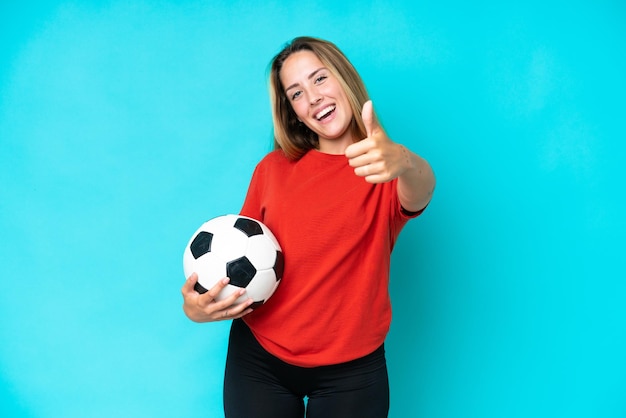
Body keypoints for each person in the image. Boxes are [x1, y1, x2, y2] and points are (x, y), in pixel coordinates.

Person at [181, 36, 435, 418]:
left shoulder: (384, 171)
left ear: (344, 78)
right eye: (296, 93)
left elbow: (422, 188)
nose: (313, 98)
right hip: (259, 359)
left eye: (319, 79)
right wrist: (197, 308)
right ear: (293, 112)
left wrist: (403, 161)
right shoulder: (273, 169)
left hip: (351, 371)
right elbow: (235, 263)